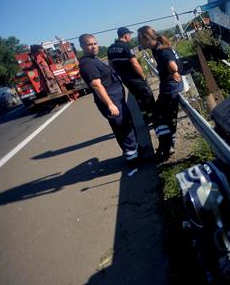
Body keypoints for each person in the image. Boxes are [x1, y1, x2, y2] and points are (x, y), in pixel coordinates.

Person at [78, 33, 139, 176]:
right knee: (124, 128)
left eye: (95, 43)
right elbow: (97, 85)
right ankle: (133, 160)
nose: (93, 47)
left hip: (116, 98)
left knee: (125, 126)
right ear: (82, 46)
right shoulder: (87, 63)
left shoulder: (92, 60)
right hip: (111, 100)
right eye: (89, 44)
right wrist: (110, 104)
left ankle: (134, 151)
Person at [137, 26, 183, 161]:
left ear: (146, 38)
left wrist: (173, 73)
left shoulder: (162, 50)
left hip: (170, 89)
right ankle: (167, 145)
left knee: (161, 116)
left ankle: (167, 146)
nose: (139, 43)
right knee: (164, 117)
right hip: (168, 88)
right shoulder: (156, 49)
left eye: (140, 39)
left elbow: (173, 65)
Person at [108, 27, 156, 126]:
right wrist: (143, 76)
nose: (130, 37)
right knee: (148, 96)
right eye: (129, 35)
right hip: (135, 78)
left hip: (125, 80)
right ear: (125, 35)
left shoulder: (111, 49)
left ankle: (146, 118)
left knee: (139, 98)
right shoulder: (126, 47)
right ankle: (154, 117)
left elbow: (111, 66)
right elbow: (135, 64)